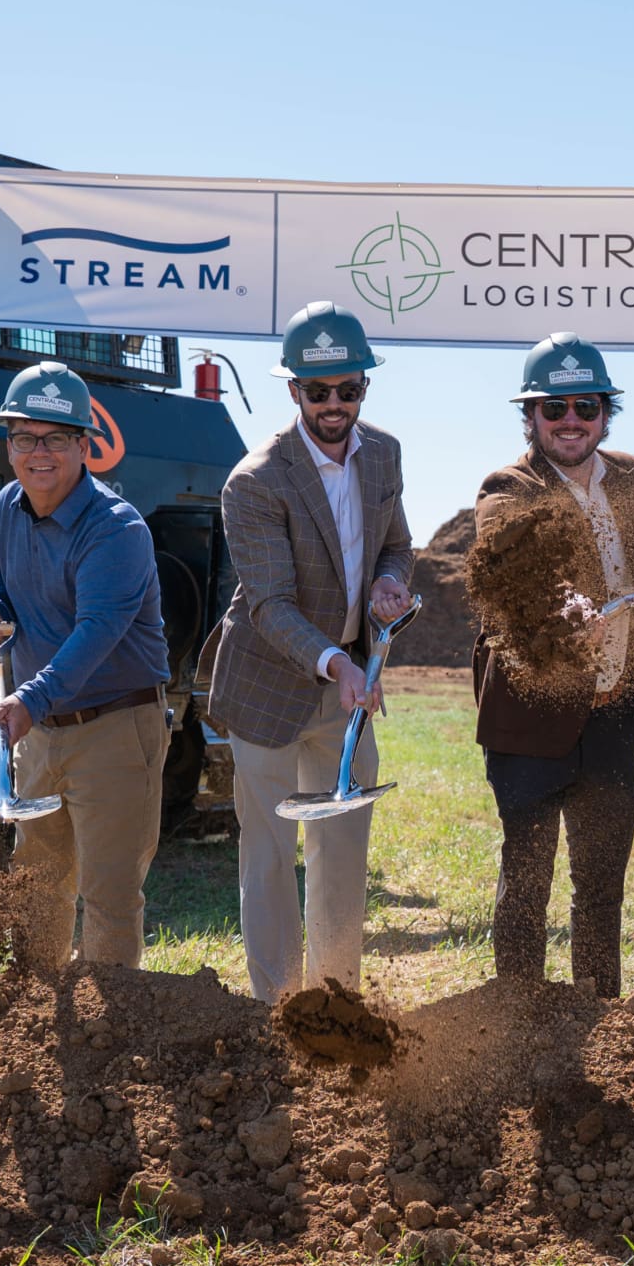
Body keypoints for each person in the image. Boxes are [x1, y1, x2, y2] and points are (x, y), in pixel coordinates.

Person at [473, 333, 634, 995]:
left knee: (601, 887)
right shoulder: (507, 486)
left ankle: (600, 1025)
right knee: (526, 886)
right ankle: (521, 1027)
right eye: (555, 408)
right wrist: (561, 601)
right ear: (531, 417)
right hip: (532, 719)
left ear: (606, 411)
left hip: (612, 715)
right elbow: (508, 564)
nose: (572, 419)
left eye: (587, 404)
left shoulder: (630, 476)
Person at [208, 303, 415, 1002]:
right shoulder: (255, 481)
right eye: (318, 390)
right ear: (292, 390)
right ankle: (276, 1009)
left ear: (365, 387)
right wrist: (338, 661)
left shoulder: (382, 453)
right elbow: (270, 605)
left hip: (348, 689)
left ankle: (336, 1001)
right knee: (268, 856)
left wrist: (390, 579)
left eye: (347, 389)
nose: (334, 404)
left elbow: (395, 541)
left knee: (343, 851)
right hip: (269, 686)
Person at [0, 361, 173, 969]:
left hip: (115, 728)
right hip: (43, 729)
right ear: (9, 446)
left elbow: (98, 631)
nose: (39, 452)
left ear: (85, 446)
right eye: (25, 437)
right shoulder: (9, 504)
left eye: (56, 438)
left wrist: (29, 700)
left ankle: (109, 1034)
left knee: (108, 895)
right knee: (37, 887)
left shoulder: (116, 528)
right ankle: (38, 1022)